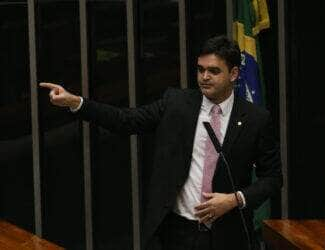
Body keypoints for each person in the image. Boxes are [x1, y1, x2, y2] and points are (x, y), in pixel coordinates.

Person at [40, 35, 282, 250]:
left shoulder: (255, 118)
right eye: (200, 69)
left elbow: (272, 178)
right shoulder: (176, 103)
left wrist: (234, 199)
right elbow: (126, 120)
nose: (204, 77)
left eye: (214, 71)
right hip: (177, 232)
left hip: (228, 235)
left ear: (234, 74)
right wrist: (76, 103)